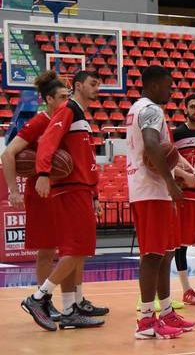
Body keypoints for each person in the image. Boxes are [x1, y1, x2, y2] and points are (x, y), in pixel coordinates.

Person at [21, 70, 106, 330]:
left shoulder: (80, 115)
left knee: (73, 251)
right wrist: (43, 173)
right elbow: (47, 141)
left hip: (80, 188)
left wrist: (94, 193)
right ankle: (38, 298)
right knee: (78, 249)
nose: (98, 88)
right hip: (69, 188)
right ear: (78, 86)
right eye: (93, 84)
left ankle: (70, 310)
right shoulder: (68, 109)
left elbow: (86, 160)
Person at [127, 66, 195, 339]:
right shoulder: (151, 109)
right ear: (154, 85)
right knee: (153, 255)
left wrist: (181, 168)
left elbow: (161, 150)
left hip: (151, 191)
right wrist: (170, 180)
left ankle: (166, 312)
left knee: (166, 252)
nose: (171, 90)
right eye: (168, 85)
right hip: (151, 191)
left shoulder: (138, 108)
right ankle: (146, 321)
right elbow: (152, 145)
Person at [2, 72, 69, 321]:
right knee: (47, 251)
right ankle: (43, 301)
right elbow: (8, 154)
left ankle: (74, 302)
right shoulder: (40, 122)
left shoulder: (69, 119)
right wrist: (13, 190)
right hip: (42, 193)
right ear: (49, 99)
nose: (66, 101)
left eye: (68, 96)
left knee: (71, 249)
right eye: (61, 97)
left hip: (64, 191)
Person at [172, 94, 195, 306]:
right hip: (186, 195)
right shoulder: (177, 134)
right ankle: (186, 290)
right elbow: (169, 160)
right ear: (186, 109)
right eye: (192, 106)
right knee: (181, 244)